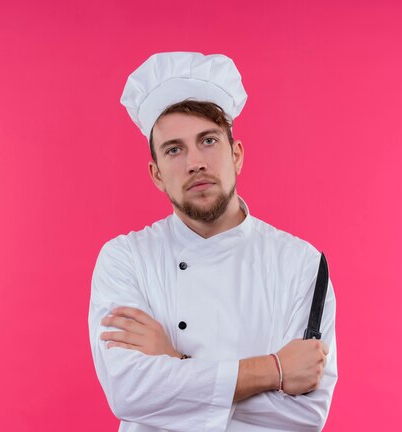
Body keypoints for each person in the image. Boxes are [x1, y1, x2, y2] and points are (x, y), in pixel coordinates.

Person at [88, 52, 337, 432]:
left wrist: (174, 363)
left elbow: (304, 416)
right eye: (174, 149)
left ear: (235, 155)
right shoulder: (126, 258)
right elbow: (129, 393)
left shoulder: (301, 264)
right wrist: (275, 370)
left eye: (208, 140)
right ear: (156, 174)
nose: (194, 162)